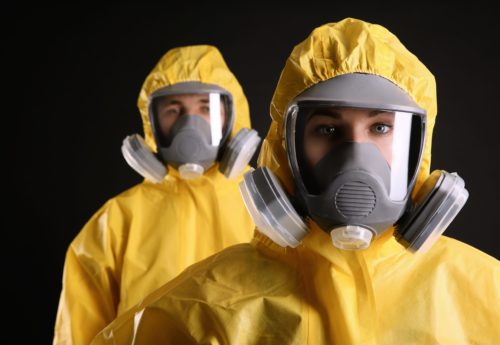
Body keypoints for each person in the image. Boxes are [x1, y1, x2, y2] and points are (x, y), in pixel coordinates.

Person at [91, 18, 499, 345]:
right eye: (326, 130)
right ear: (286, 147)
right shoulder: (202, 311)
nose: (357, 156)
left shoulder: (485, 293)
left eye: (380, 128)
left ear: (419, 147)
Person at [53, 45, 259, 345]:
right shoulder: (116, 221)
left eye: (206, 107)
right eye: (173, 110)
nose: (191, 125)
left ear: (233, 116)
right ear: (152, 124)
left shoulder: (266, 208)